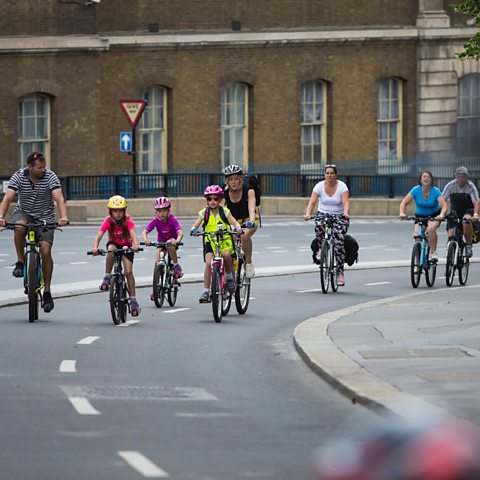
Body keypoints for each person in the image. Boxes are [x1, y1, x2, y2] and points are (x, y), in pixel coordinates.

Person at [0, 151, 69, 313]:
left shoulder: (50, 176)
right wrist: (1, 216)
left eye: (44, 167)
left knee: (45, 251)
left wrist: (64, 217)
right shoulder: (18, 176)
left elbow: (59, 198)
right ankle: (20, 261)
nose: (43, 170)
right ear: (29, 167)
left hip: (45, 216)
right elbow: (8, 198)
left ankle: (47, 292)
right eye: (39, 167)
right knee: (19, 227)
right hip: (24, 213)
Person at [190, 185, 243, 303]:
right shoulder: (204, 213)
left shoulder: (225, 211)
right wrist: (193, 230)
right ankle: (205, 291)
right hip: (210, 241)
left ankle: (229, 277)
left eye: (216, 199)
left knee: (226, 255)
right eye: (209, 199)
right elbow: (196, 224)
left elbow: (234, 222)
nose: (212, 201)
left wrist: (238, 228)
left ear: (220, 200)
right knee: (209, 263)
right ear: (206, 200)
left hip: (224, 240)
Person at [91, 195, 141, 316]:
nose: (118, 214)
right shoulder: (108, 221)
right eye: (115, 211)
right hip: (114, 244)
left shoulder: (128, 221)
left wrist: (135, 245)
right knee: (110, 250)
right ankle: (107, 277)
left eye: (120, 211)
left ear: (124, 211)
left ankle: (133, 300)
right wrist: (95, 248)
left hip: (127, 246)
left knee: (128, 272)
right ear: (110, 211)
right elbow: (99, 235)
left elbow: (133, 234)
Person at [304, 164, 350, 286]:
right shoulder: (319, 186)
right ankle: (321, 248)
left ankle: (340, 272)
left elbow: (345, 202)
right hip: (323, 214)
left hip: (339, 216)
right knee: (319, 226)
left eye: (332, 173)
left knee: (339, 244)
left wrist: (345, 213)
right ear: (325, 175)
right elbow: (312, 202)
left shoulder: (342, 186)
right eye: (327, 173)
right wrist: (308, 213)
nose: (329, 176)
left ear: (336, 175)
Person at [399, 170, 447, 262]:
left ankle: (433, 253)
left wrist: (441, 215)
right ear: (420, 180)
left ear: (431, 180)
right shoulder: (416, 190)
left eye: (428, 177)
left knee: (431, 229)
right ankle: (417, 261)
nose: (426, 178)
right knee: (417, 237)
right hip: (420, 216)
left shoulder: (435, 191)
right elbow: (404, 202)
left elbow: (444, 205)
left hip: (434, 216)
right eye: (424, 177)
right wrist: (402, 213)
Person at [142, 196, 184, 301]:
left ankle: (176, 265)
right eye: (159, 211)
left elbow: (180, 232)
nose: (162, 214)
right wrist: (146, 239)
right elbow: (145, 231)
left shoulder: (172, 220)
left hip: (172, 242)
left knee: (169, 244)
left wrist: (177, 240)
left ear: (169, 210)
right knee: (157, 262)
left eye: (164, 211)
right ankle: (156, 289)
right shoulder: (156, 221)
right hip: (161, 242)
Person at [223, 165, 258, 278]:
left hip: (248, 219)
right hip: (233, 221)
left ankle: (248, 263)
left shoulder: (249, 189)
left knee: (244, 236)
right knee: (229, 239)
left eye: (236, 179)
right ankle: (232, 265)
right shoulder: (224, 192)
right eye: (230, 179)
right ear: (227, 181)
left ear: (241, 179)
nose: (233, 182)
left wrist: (251, 221)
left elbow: (251, 208)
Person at [441, 166, 479, 258]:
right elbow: (442, 200)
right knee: (451, 234)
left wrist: (475, 215)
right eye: (459, 176)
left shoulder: (471, 186)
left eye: (463, 176)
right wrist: (441, 213)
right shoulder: (450, 185)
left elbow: (476, 202)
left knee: (466, 221)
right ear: (456, 176)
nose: (461, 179)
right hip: (454, 211)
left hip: (467, 210)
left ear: (467, 177)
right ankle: (450, 250)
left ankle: (468, 246)